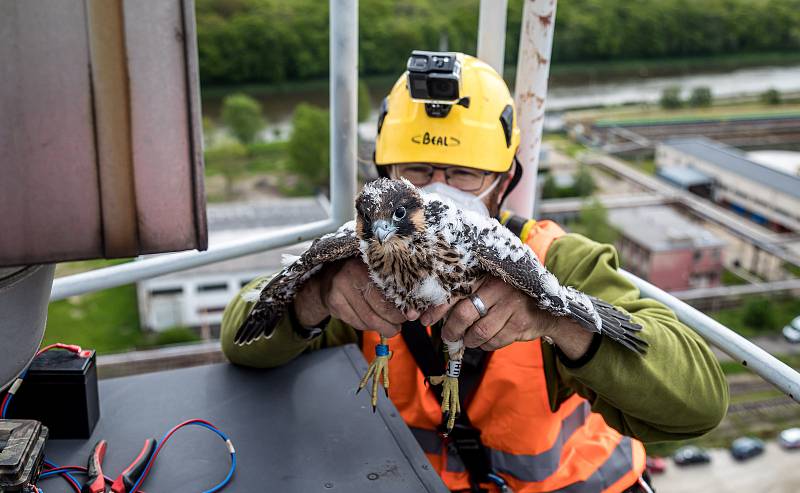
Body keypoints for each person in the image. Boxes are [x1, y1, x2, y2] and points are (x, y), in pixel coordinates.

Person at [220, 53, 728, 493]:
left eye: (465, 173)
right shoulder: (361, 253)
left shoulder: (557, 259)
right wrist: (316, 294)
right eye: (416, 171)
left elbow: (699, 405)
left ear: (503, 182)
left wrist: (555, 318)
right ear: (385, 179)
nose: (440, 192)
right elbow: (241, 338)